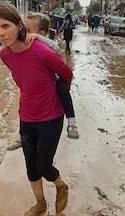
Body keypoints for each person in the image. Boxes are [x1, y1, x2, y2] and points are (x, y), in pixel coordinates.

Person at [0, 3, 70, 216]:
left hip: (51, 117)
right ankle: (40, 203)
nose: (1, 33)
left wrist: (58, 98)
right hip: (27, 117)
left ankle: (61, 186)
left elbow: (67, 75)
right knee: (30, 167)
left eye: (5, 26)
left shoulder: (43, 52)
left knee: (43, 166)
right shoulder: (5, 55)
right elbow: (22, 80)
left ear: (18, 25)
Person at [6, 12, 79, 150]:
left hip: (53, 78)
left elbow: (56, 48)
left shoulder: (44, 44)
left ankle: (72, 123)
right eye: (22, 29)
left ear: (42, 33)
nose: (24, 33)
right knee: (24, 98)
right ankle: (21, 134)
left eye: (28, 30)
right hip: (33, 84)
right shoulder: (20, 46)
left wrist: (37, 37)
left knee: (63, 91)